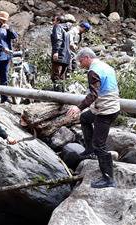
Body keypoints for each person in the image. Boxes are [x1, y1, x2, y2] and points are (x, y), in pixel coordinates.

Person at [67, 48, 120, 188]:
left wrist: (78, 107)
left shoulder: (93, 71)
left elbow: (93, 94)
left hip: (105, 111)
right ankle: (89, 150)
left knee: (100, 145)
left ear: (86, 58)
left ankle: (108, 179)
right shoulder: (105, 66)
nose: (80, 64)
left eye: (80, 61)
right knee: (85, 118)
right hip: (109, 107)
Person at [50, 15, 72, 92]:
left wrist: (56, 52)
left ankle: (56, 96)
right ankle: (62, 97)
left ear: (58, 21)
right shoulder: (67, 31)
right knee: (61, 77)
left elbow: (58, 40)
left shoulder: (57, 27)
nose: (52, 22)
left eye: (54, 20)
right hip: (66, 57)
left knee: (55, 76)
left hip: (59, 55)